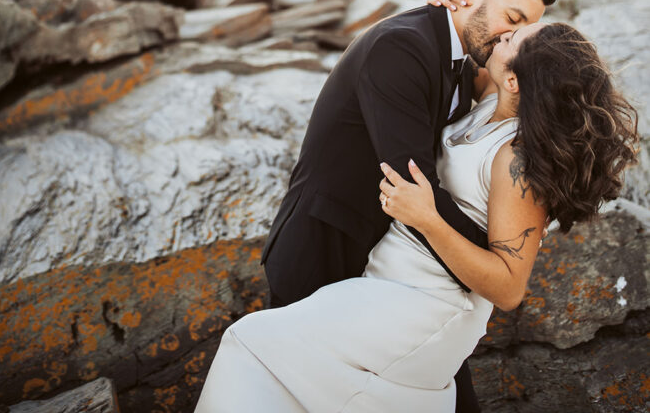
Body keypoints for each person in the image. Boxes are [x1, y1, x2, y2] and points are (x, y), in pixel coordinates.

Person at [195, 20, 638, 412]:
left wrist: (426, 218)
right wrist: (440, 6)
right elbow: (445, 45)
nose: (500, 36)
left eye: (511, 39)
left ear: (515, 80)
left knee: (251, 345)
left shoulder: (516, 160)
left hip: (429, 305)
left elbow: (508, 288)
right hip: (388, 283)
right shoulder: (489, 102)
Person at [260, 0, 557, 412]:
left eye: (524, 29)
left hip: (401, 269)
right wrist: (497, 262)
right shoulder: (402, 46)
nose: (513, 38)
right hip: (325, 249)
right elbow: (410, 182)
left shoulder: (466, 49)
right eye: (513, 18)